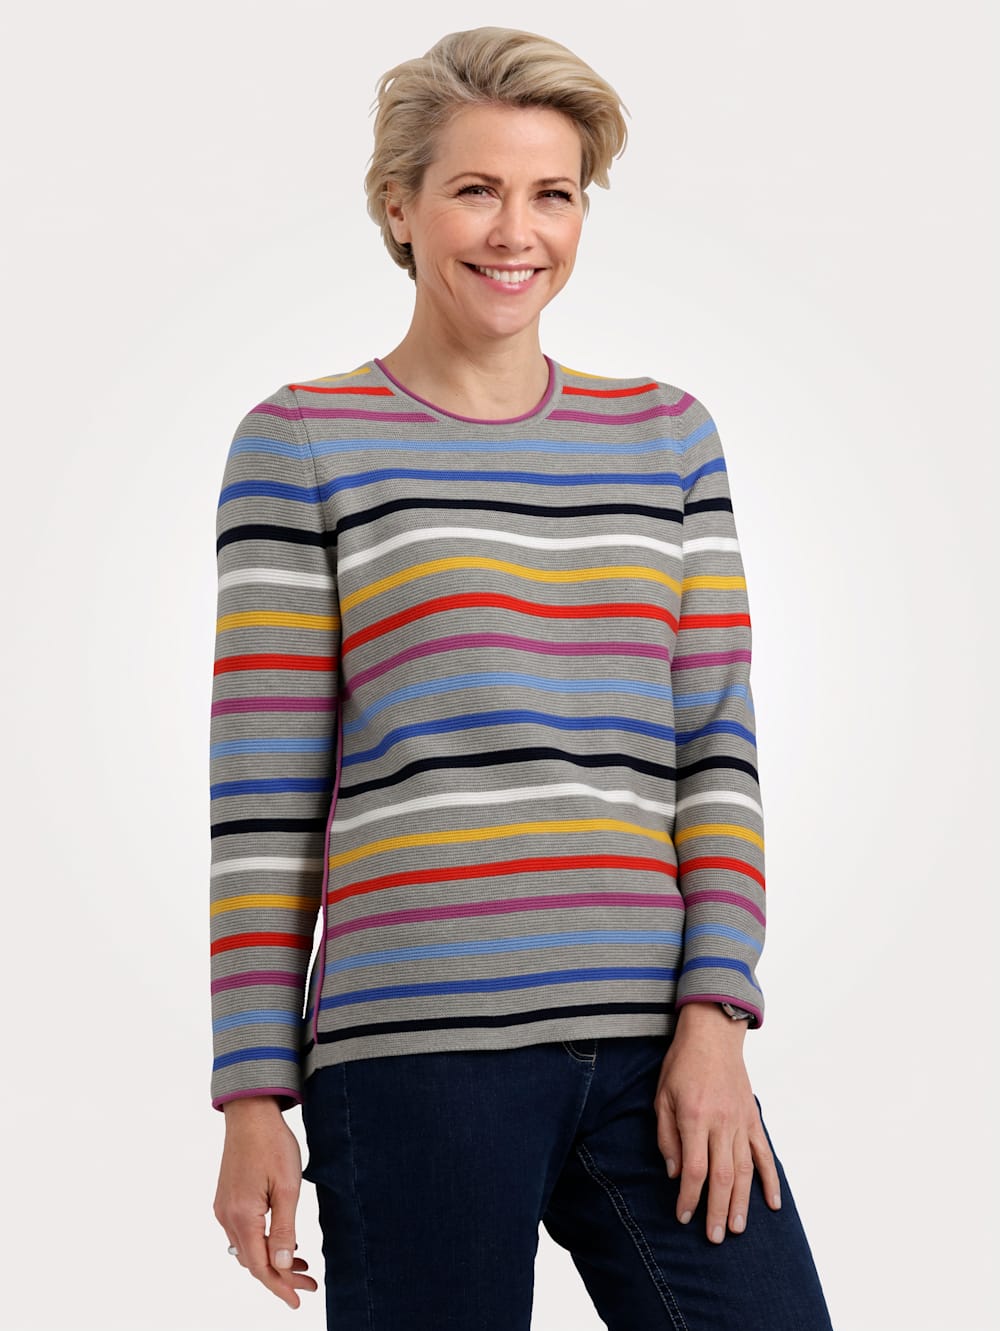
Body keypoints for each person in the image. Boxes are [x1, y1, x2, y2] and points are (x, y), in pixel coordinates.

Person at [209, 26, 834, 1331]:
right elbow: (265, 801)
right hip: (416, 1056)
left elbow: (716, 748)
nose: (516, 232)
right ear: (400, 206)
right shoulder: (304, 441)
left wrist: (717, 1015)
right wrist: (252, 1095)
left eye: (553, 193)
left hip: (657, 1047)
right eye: (475, 190)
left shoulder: (668, 436)